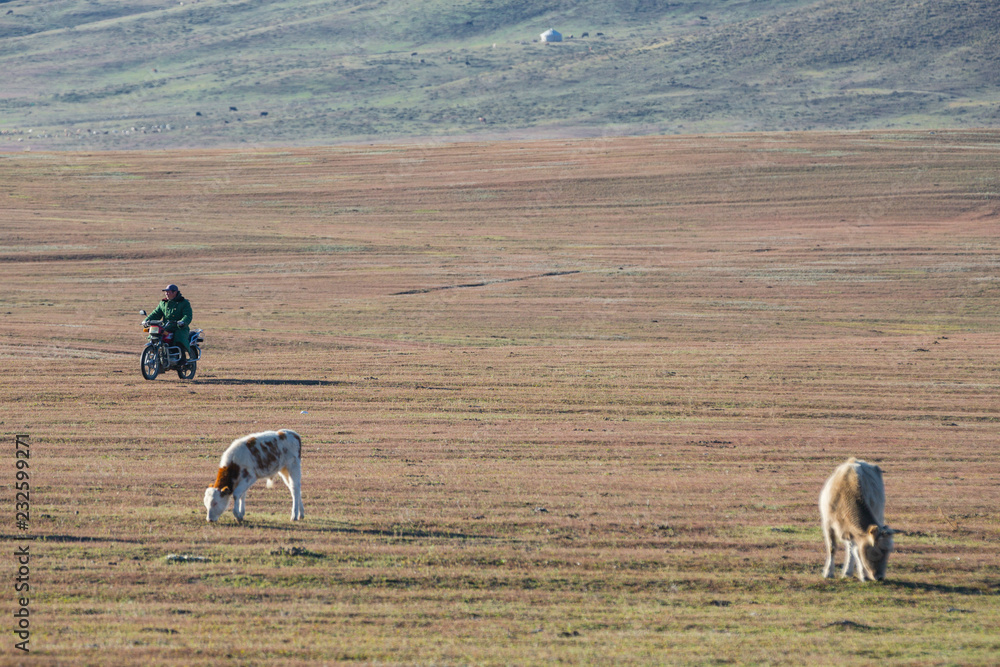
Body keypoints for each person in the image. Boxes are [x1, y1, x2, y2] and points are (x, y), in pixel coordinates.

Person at [144, 284, 193, 366]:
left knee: (179, 338)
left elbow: (187, 315)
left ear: (175, 292)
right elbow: (156, 313)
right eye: (165, 292)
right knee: (154, 336)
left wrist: (182, 322)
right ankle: (157, 355)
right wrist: (146, 320)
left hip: (179, 328)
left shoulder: (184, 303)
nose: (166, 293)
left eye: (168, 292)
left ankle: (182, 360)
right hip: (166, 327)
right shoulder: (163, 303)